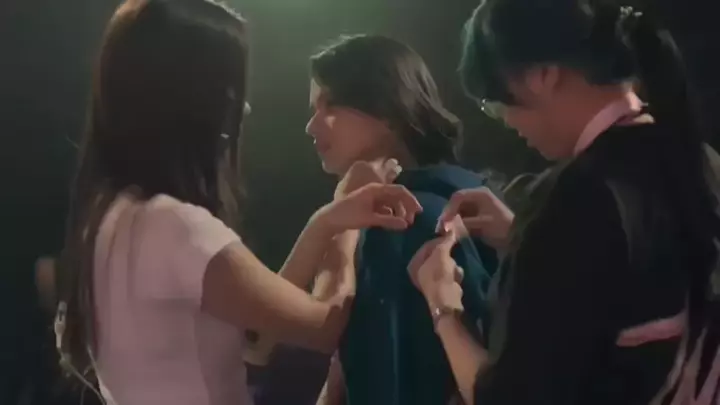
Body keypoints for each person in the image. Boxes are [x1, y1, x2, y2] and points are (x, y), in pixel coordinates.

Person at [54, 1, 423, 405]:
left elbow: (256, 335)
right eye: (231, 90)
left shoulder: (114, 216)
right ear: (194, 96)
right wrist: (345, 226)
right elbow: (322, 326)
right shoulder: (177, 228)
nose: (243, 108)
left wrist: (325, 222)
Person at [408, 1, 720, 405]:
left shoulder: (576, 196)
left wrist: (443, 307)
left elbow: (508, 398)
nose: (504, 120)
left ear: (542, 75)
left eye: (494, 102)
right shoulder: (699, 161)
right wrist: (524, 235)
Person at [298, 35, 496, 405]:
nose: (311, 126)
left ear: (388, 110)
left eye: (330, 104)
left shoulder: (405, 220)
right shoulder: (467, 202)